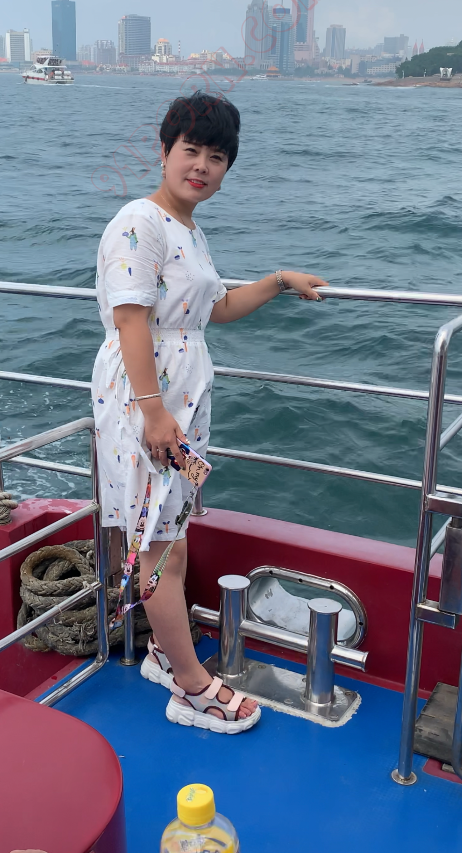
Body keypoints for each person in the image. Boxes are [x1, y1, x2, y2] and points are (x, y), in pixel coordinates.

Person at [92, 91, 328, 734]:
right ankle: (192, 688)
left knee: (172, 535)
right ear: (164, 151)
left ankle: (165, 657)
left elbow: (214, 308)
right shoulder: (140, 221)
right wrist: (152, 411)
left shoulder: (188, 230)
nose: (201, 165)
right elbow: (131, 319)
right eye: (190, 149)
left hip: (178, 401)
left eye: (216, 156)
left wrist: (278, 280)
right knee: (157, 547)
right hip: (147, 400)